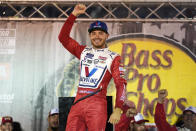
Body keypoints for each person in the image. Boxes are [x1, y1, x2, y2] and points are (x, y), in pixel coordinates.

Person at [58, 3, 127, 131]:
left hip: (97, 106)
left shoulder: (113, 57)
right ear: (89, 36)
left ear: (107, 36)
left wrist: (118, 108)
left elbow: (121, 84)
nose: (97, 36)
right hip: (78, 104)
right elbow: (63, 38)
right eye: (94, 33)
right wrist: (73, 15)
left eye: (101, 33)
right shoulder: (83, 51)